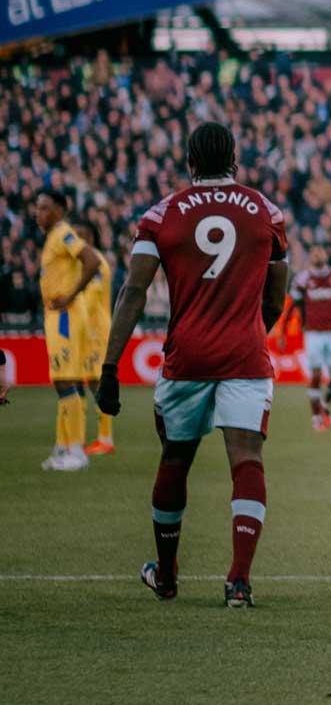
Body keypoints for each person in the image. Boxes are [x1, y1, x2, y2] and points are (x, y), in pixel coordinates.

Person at [95, 122, 291, 608]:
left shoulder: (161, 215)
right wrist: (251, 327)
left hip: (187, 357)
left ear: (189, 162)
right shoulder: (265, 211)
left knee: (176, 460)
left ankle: (165, 576)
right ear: (235, 161)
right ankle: (239, 582)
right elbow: (277, 292)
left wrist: (109, 366)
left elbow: (134, 291)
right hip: (245, 355)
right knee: (246, 459)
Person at [36, 189, 106, 472]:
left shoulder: (63, 233)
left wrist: (72, 294)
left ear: (60, 211)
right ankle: (65, 447)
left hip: (64, 317)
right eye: (38, 207)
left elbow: (92, 260)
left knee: (66, 381)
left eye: (44, 208)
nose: (38, 213)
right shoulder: (53, 237)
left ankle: (76, 451)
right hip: (56, 316)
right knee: (62, 382)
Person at [282, 245, 331, 432]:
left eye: (320, 251)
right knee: (315, 375)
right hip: (313, 333)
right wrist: (283, 331)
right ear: (310, 258)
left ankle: (324, 404)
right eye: (314, 252)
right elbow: (291, 307)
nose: (317, 254)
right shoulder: (303, 279)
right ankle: (316, 417)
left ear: (326, 255)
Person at [74, 221, 117, 455]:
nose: (78, 240)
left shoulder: (96, 262)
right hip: (87, 331)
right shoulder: (86, 261)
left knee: (97, 383)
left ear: (91, 237)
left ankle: (105, 439)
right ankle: (82, 437)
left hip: (96, 333)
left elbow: (91, 297)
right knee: (89, 383)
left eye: (82, 235)